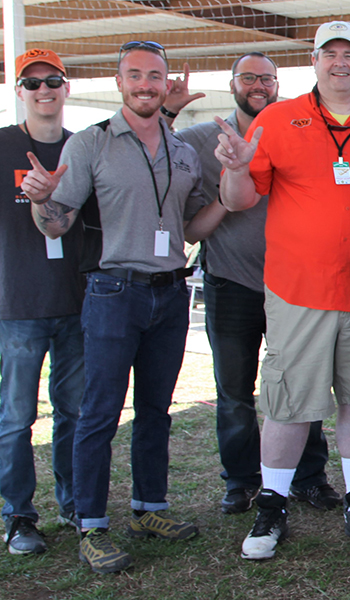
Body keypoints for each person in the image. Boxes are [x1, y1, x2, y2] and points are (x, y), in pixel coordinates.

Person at [215, 21, 350, 560]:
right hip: (298, 292)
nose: (340, 62)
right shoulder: (277, 119)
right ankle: (272, 506)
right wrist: (232, 167)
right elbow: (238, 200)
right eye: (330, 53)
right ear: (315, 62)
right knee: (289, 404)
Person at [27, 40, 215, 574]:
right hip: (112, 293)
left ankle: (149, 508)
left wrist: (228, 197)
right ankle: (91, 525)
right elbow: (58, 221)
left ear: (163, 84)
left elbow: (192, 226)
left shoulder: (181, 152)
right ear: (118, 82)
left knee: (156, 410)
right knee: (100, 414)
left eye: (154, 75)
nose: (145, 84)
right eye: (134, 75)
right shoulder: (92, 144)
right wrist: (43, 201)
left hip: (170, 291)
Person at [169, 52, 339, 515]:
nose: (258, 85)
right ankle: (242, 480)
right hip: (231, 283)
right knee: (235, 391)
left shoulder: (296, 131)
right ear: (232, 84)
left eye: (268, 78)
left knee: (301, 384)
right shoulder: (202, 139)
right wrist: (167, 111)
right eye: (249, 77)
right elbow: (152, 150)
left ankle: (308, 477)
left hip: (294, 284)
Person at [0, 48, 83, 555]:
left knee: (74, 411)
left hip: (76, 303)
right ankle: (19, 516)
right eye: (32, 83)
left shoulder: (84, 146)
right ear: (20, 92)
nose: (43, 89)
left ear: (66, 86)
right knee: (14, 418)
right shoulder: (4, 145)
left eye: (53, 79)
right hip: (17, 306)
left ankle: (75, 505)